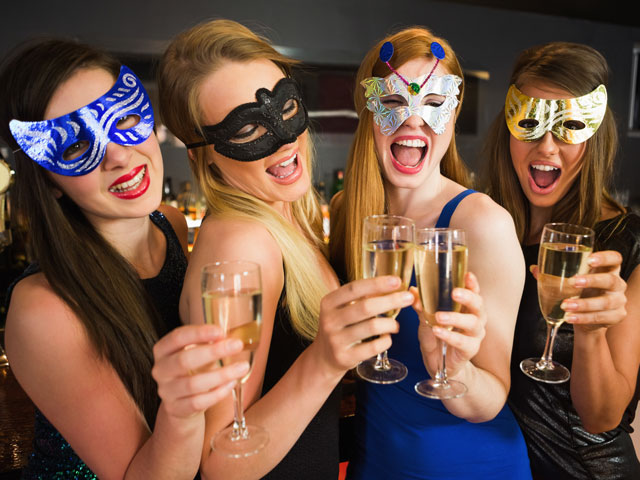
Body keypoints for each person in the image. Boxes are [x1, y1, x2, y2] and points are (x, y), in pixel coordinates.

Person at [156, 19, 413, 480]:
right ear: (203, 154)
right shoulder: (241, 244)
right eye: (248, 130)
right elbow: (219, 461)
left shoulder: (285, 213)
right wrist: (324, 360)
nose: (286, 139)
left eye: (286, 106)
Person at [0, 39, 250, 479]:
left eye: (126, 119)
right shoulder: (43, 308)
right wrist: (181, 411)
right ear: (51, 183)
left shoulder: (170, 226)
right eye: (76, 148)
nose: (117, 155)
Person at [329, 26, 532, 479]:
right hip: (374, 460)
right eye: (394, 102)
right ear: (368, 109)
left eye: (434, 104)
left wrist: (455, 369)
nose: (414, 121)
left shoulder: (482, 224)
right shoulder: (347, 211)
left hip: (468, 465)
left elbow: (491, 398)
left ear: (454, 114)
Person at [483, 41, 640, 479]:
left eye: (569, 126)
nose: (547, 148)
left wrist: (590, 330)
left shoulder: (626, 246)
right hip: (500, 466)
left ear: (593, 137)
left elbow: (604, 417)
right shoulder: (490, 227)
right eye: (530, 125)